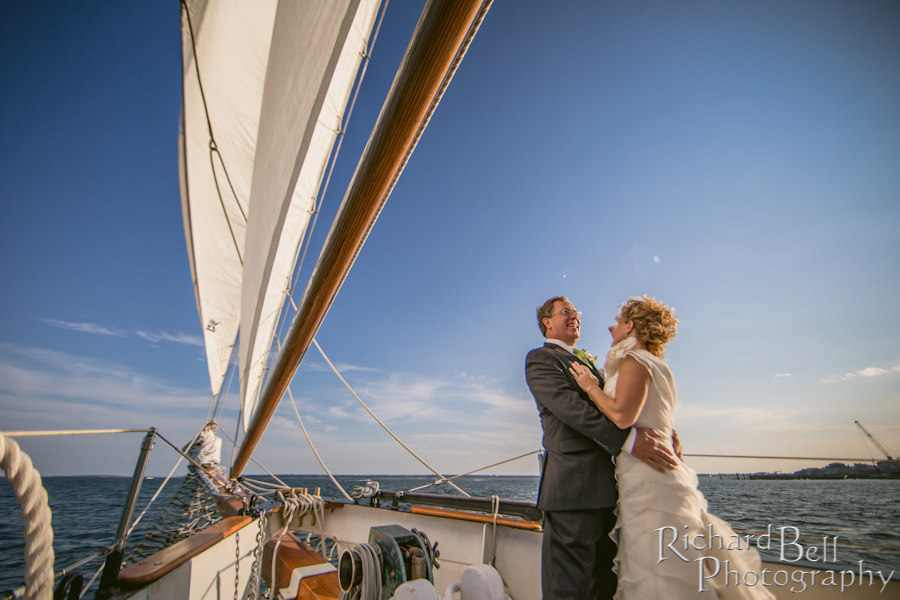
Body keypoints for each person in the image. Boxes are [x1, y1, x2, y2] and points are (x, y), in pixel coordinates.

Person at [568, 295, 775, 599]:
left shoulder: (634, 360)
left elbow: (623, 416)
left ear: (629, 326)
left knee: (657, 565)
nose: (610, 326)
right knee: (675, 557)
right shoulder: (659, 365)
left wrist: (591, 388)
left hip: (648, 475)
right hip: (663, 466)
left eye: (617, 320)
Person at [525, 296, 680, 600]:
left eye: (576, 312)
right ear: (547, 322)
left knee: (603, 587)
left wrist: (659, 432)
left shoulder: (590, 365)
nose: (575, 316)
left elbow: (621, 407)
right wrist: (631, 442)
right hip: (573, 492)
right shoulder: (541, 360)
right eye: (566, 312)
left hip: (609, 491)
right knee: (570, 589)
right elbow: (573, 411)